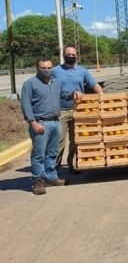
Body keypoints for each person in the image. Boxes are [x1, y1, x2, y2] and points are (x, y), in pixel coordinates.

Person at [21, 59, 71, 195]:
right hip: (40, 123)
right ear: (37, 68)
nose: (46, 70)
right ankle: (38, 180)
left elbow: (62, 96)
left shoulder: (56, 83)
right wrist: (33, 122)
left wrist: (73, 94)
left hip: (55, 122)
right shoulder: (30, 84)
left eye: (49, 67)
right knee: (39, 154)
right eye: (43, 67)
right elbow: (25, 105)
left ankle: (51, 177)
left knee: (52, 153)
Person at [52, 45, 103, 173]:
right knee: (60, 141)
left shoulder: (82, 71)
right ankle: (54, 169)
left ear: (76, 56)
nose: (71, 57)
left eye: (73, 55)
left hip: (78, 110)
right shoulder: (55, 71)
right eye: (68, 55)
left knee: (75, 140)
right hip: (61, 110)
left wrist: (102, 97)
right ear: (64, 56)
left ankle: (71, 165)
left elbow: (94, 85)